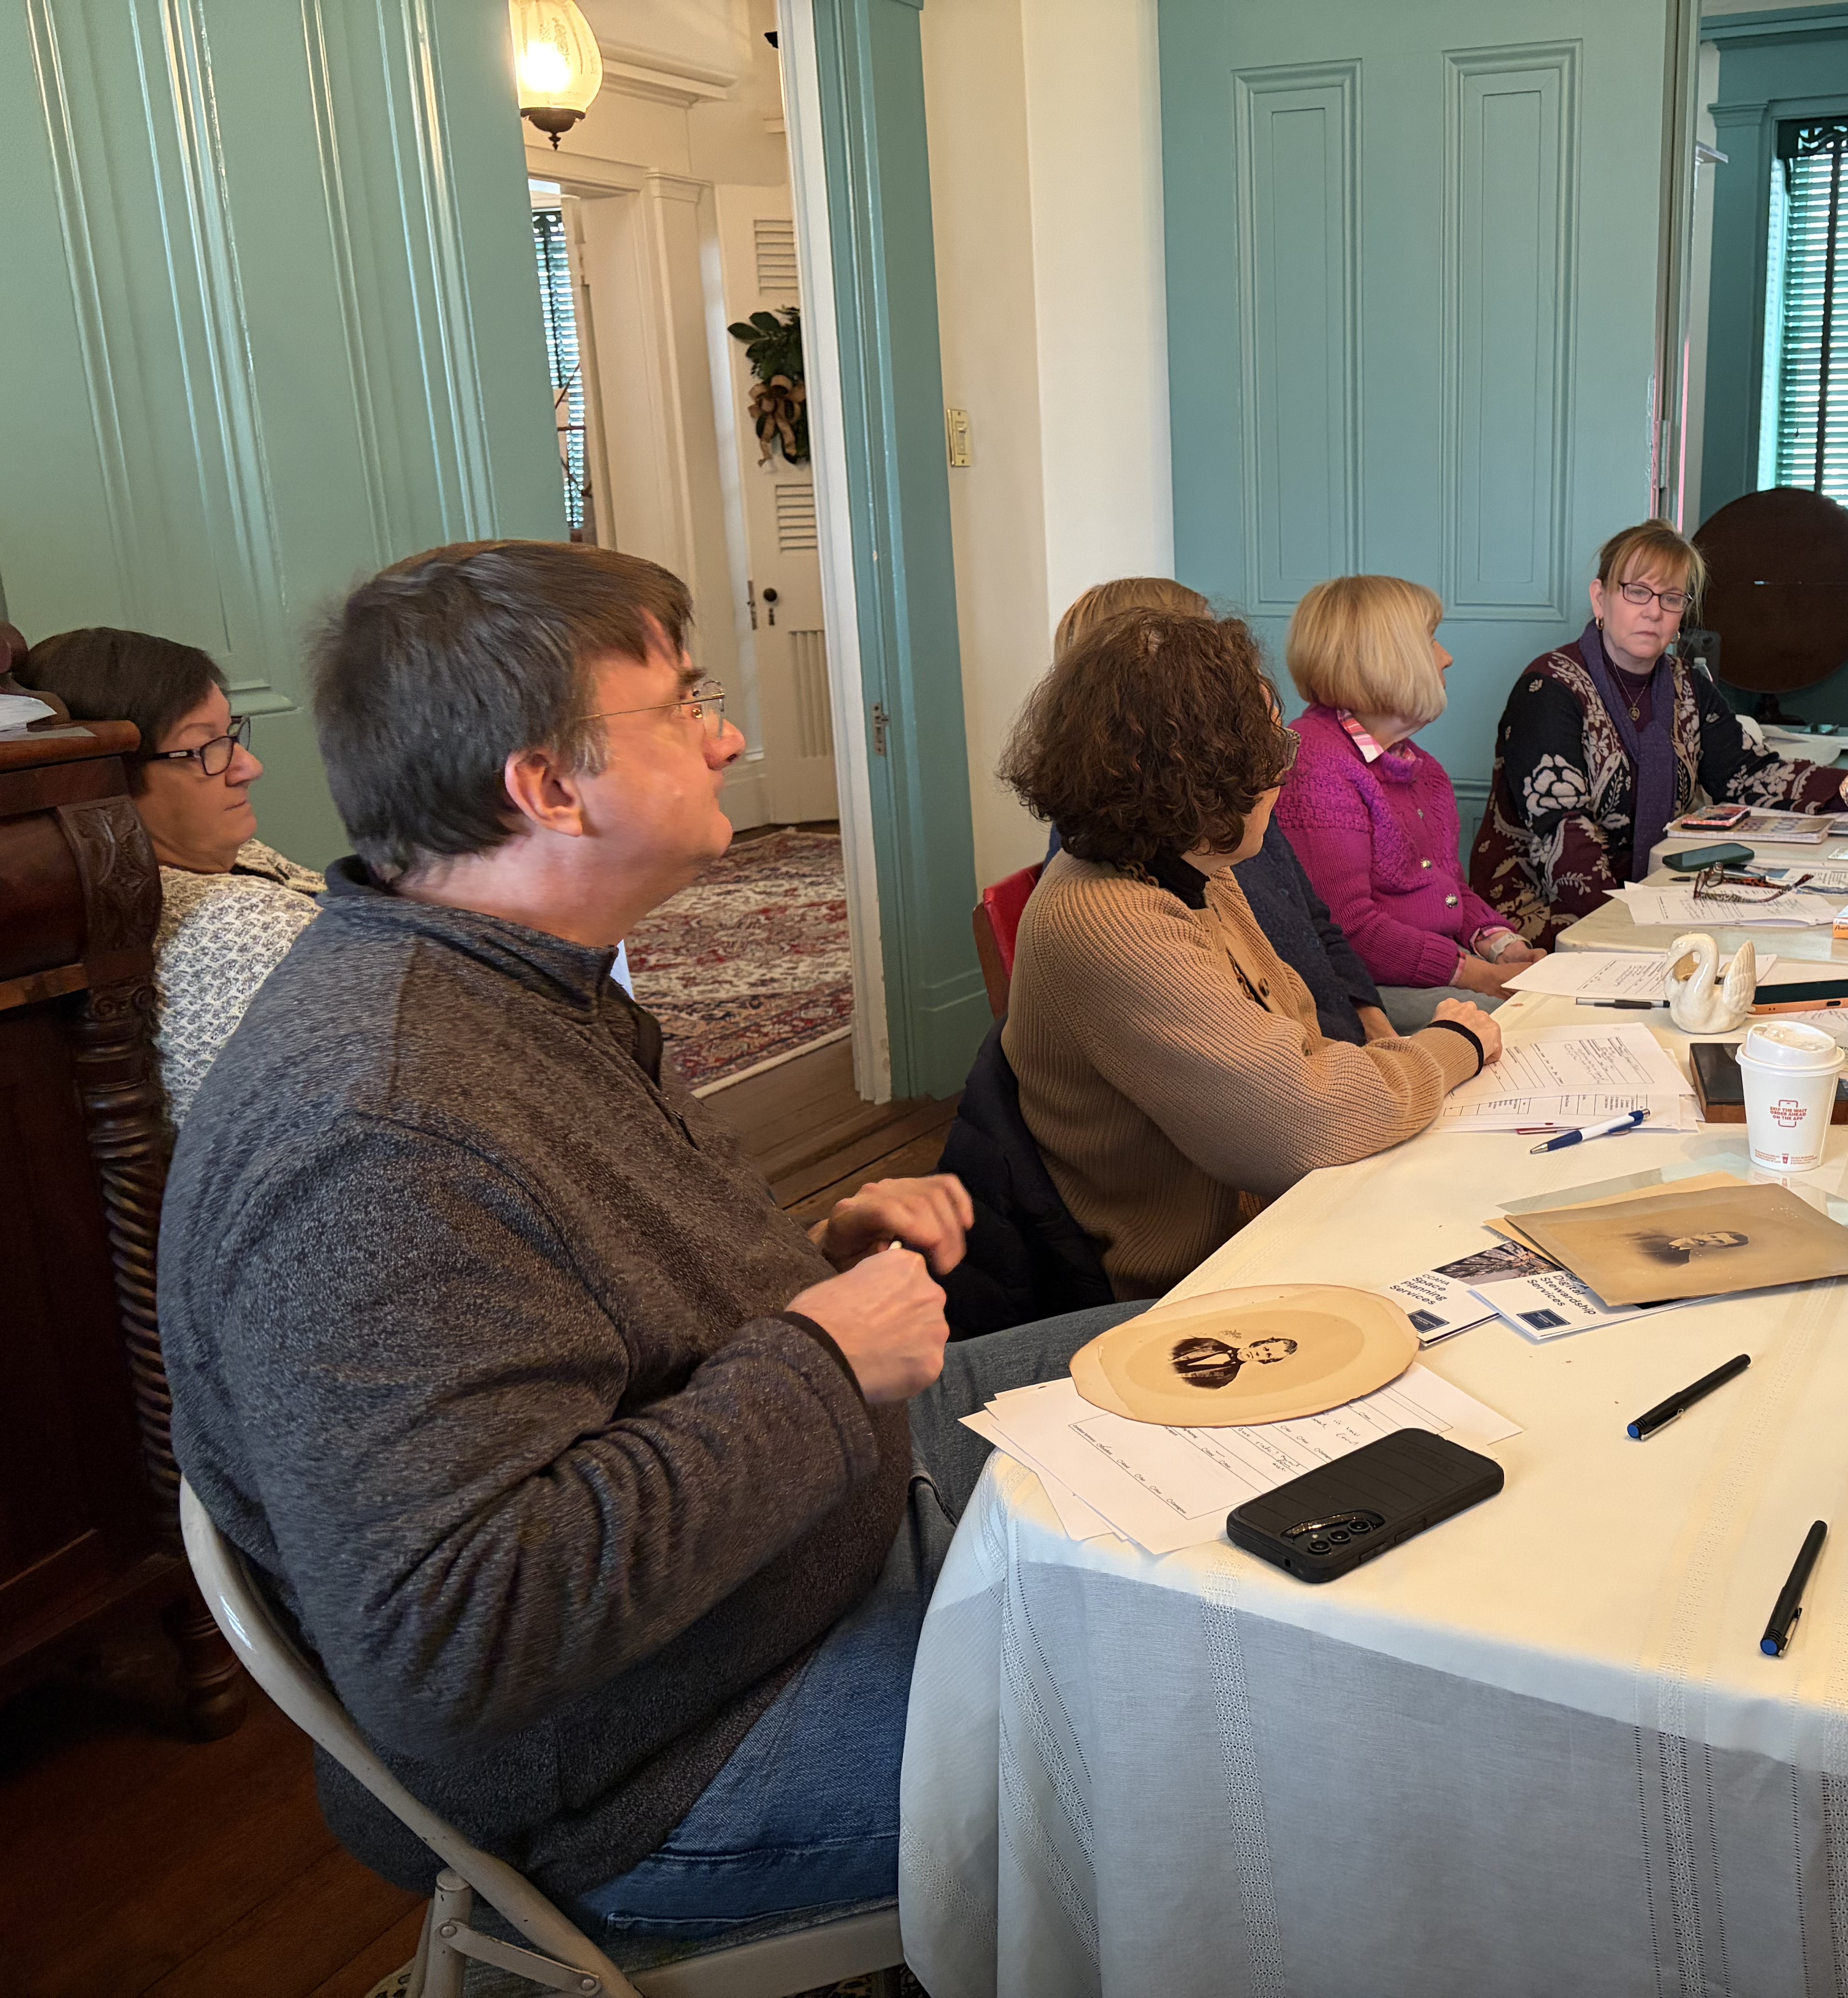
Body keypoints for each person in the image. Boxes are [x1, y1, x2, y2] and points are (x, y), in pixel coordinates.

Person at [158, 539, 1143, 1936]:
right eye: (683, 705)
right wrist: (813, 1354)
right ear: (548, 786)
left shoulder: (511, 992)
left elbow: (564, 1315)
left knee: (1179, 1361)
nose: (730, 734)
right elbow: (455, 1634)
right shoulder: (376, 1132)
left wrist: (807, 1252)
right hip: (655, 1762)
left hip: (797, 1553)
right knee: (1235, 1742)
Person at [998, 607, 1502, 1298]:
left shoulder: (1193, 866)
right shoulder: (1109, 917)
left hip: (1280, 1222)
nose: (1281, 774)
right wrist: (1454, 1046)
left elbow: (1302, 1043)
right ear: (1196, 769)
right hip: (1204, 1280)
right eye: (1267, 751)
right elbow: (1305, 1122)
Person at [1471, 519, 1848, 944]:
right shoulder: (1548, 689)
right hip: (1541, 912)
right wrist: (1631, 925)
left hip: (1654, 896)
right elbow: (1563, 835)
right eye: (1637, 591)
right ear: (1601, 600)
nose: (1653, 611)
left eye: (1671, 599)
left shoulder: (1687, 684)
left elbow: (1743, 773)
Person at [1051, 576, 1397, 1043]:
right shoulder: (1126, 883)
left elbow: (1317, 925)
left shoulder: (1217, 822)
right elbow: (1277, 1077)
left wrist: (1376, 1028)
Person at [19, 627, 325, 1117]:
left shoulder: (223, 860)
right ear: (109, 781)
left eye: (230, 735)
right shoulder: (247, 928)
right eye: (205, 748)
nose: (249, 766)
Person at [1275, 574, 1546, 1033]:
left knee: (1549, 1009)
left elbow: (1449, 891)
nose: (1447, 658)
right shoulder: (1315, 762)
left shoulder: (1424, 769)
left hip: (1432, 972)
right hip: (1362, 988)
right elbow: (1349, 931)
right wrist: (1485, 978)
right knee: (1528, 1027)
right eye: (1431, 641)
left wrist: (1504, 947)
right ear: (1384, 658)